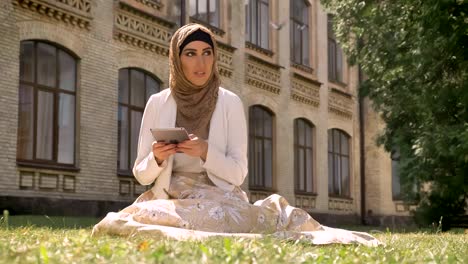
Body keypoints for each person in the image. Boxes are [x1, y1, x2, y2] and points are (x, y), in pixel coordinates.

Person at [92, 23, 380, 246]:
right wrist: (155, 157)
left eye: (207, 54)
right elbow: (141, 174)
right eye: (190, 54)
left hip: (220, 196)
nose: (200, 64)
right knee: (132, 218)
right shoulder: (158, 102)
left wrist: (205, 151)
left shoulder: (229, 102)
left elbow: (238, 173)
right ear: (177, 59)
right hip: (171, 196)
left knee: (217, 217)